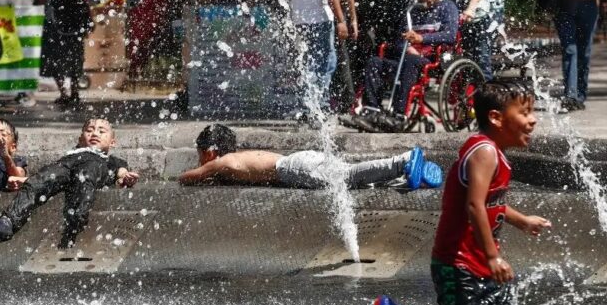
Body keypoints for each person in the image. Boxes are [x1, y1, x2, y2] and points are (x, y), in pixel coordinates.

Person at [350, 80, 552, 305]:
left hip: (481, 265)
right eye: (525, 112)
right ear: (497, 118)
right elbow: (474, 207)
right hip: (458, 265)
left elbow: (488, 202)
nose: (533, 119)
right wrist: (493, 256)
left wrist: (521, 220)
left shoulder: (493, 151)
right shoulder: (484, 152)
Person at [0, 118, 140, 248]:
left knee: (85, 177)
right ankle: (7, 222)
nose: (94, 133)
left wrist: (125, 177)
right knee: (41, 179)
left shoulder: (108, 160)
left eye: (101, 131)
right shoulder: (69, 156)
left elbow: (121, 172)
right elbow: (49, 177)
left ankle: (77, 218)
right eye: (89, 130)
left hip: (90, 170)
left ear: (112, 142)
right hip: (66, 166)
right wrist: (26, 180)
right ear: (80, 139)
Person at [345, 0, 458, 132]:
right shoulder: (412, 11)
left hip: (429, 60)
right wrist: (406, 46)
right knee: (374, 62)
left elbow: (450, 35)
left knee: (410, 62)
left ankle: (398, 116)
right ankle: (372, 110)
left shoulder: (447, 7)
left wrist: (421, 39)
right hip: (406, 57)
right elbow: (399, 38)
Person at [178, 124, 442, 190]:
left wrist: (180, 176)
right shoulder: (239, 157)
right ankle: (407, 176)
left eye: (201, 154)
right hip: (300, 160)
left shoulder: (221, 162)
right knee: (350, 179)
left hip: (294, 168)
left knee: (348, 176)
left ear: (210, 151)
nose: (202, 160)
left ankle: (403, 161)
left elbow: (190, 177)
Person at [35, 0, 92, 106]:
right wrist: (88, 16)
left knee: (54, 58)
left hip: (55, 22)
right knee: (74, 56)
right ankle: (74, 92)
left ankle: (64, 93)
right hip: (75, 21)